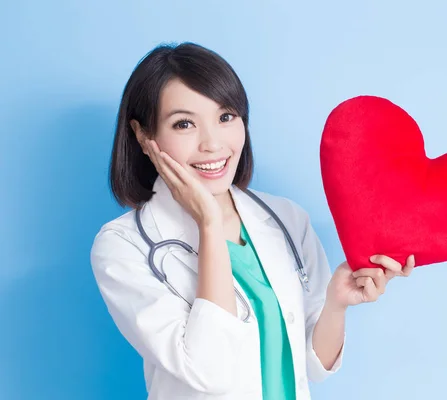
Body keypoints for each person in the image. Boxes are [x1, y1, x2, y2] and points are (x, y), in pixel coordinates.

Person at [90, 42, 415, 400]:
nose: (213, 144)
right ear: (142, 135)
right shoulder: (123, 246)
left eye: (226, 116)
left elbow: (312, 367)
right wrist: (209, 225)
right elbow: (208, 372)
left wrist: (337, 303)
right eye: (184, 124)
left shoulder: (287, 218)